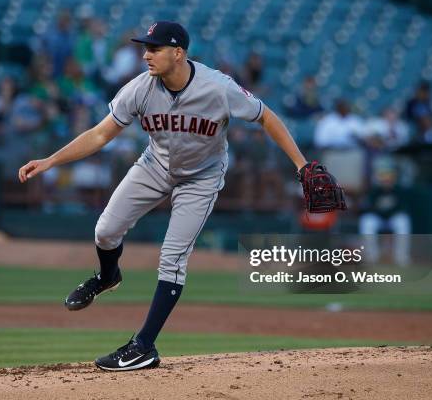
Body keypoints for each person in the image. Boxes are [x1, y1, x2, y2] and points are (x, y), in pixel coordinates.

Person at [18, 21, 309, 371]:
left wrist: (302, 166)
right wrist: (50, 160)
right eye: (145, 47)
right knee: (105, 231)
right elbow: (99, 135)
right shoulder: (140, 88)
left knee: (172, 257)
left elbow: (266, 117)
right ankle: (107, 276)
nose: (146, 54)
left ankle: (143, 345)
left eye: (154, 48)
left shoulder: (217, 87)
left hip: (201, 177)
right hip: (155, 165)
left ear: (178, 53)